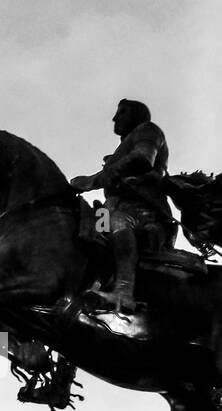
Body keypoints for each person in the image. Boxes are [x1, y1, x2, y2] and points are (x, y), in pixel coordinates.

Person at [69, 99, 177, 314]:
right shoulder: (124, 146)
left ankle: (124, 292)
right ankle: (90, 286)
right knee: (86, 228)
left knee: (117, 222)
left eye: (122, 112)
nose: (115, 118)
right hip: (111, 208)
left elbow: (143, 158)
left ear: (137, 114)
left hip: (144, 213)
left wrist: (94, 179)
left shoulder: (148, 130)